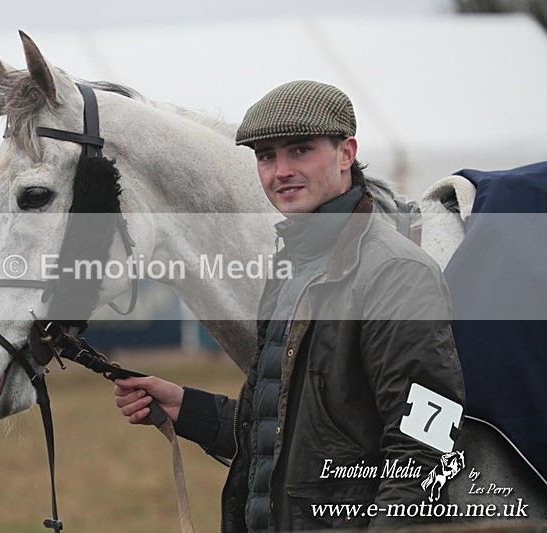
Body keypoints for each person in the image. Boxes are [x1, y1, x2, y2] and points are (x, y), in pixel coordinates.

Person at [114, 81, 465, 531]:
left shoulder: (395, 272)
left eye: (300, 150)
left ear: (346, 153)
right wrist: (189, 408)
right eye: (266, 156)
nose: (280, 171)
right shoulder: (290, 268)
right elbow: (284, 432)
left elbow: (427, 444)